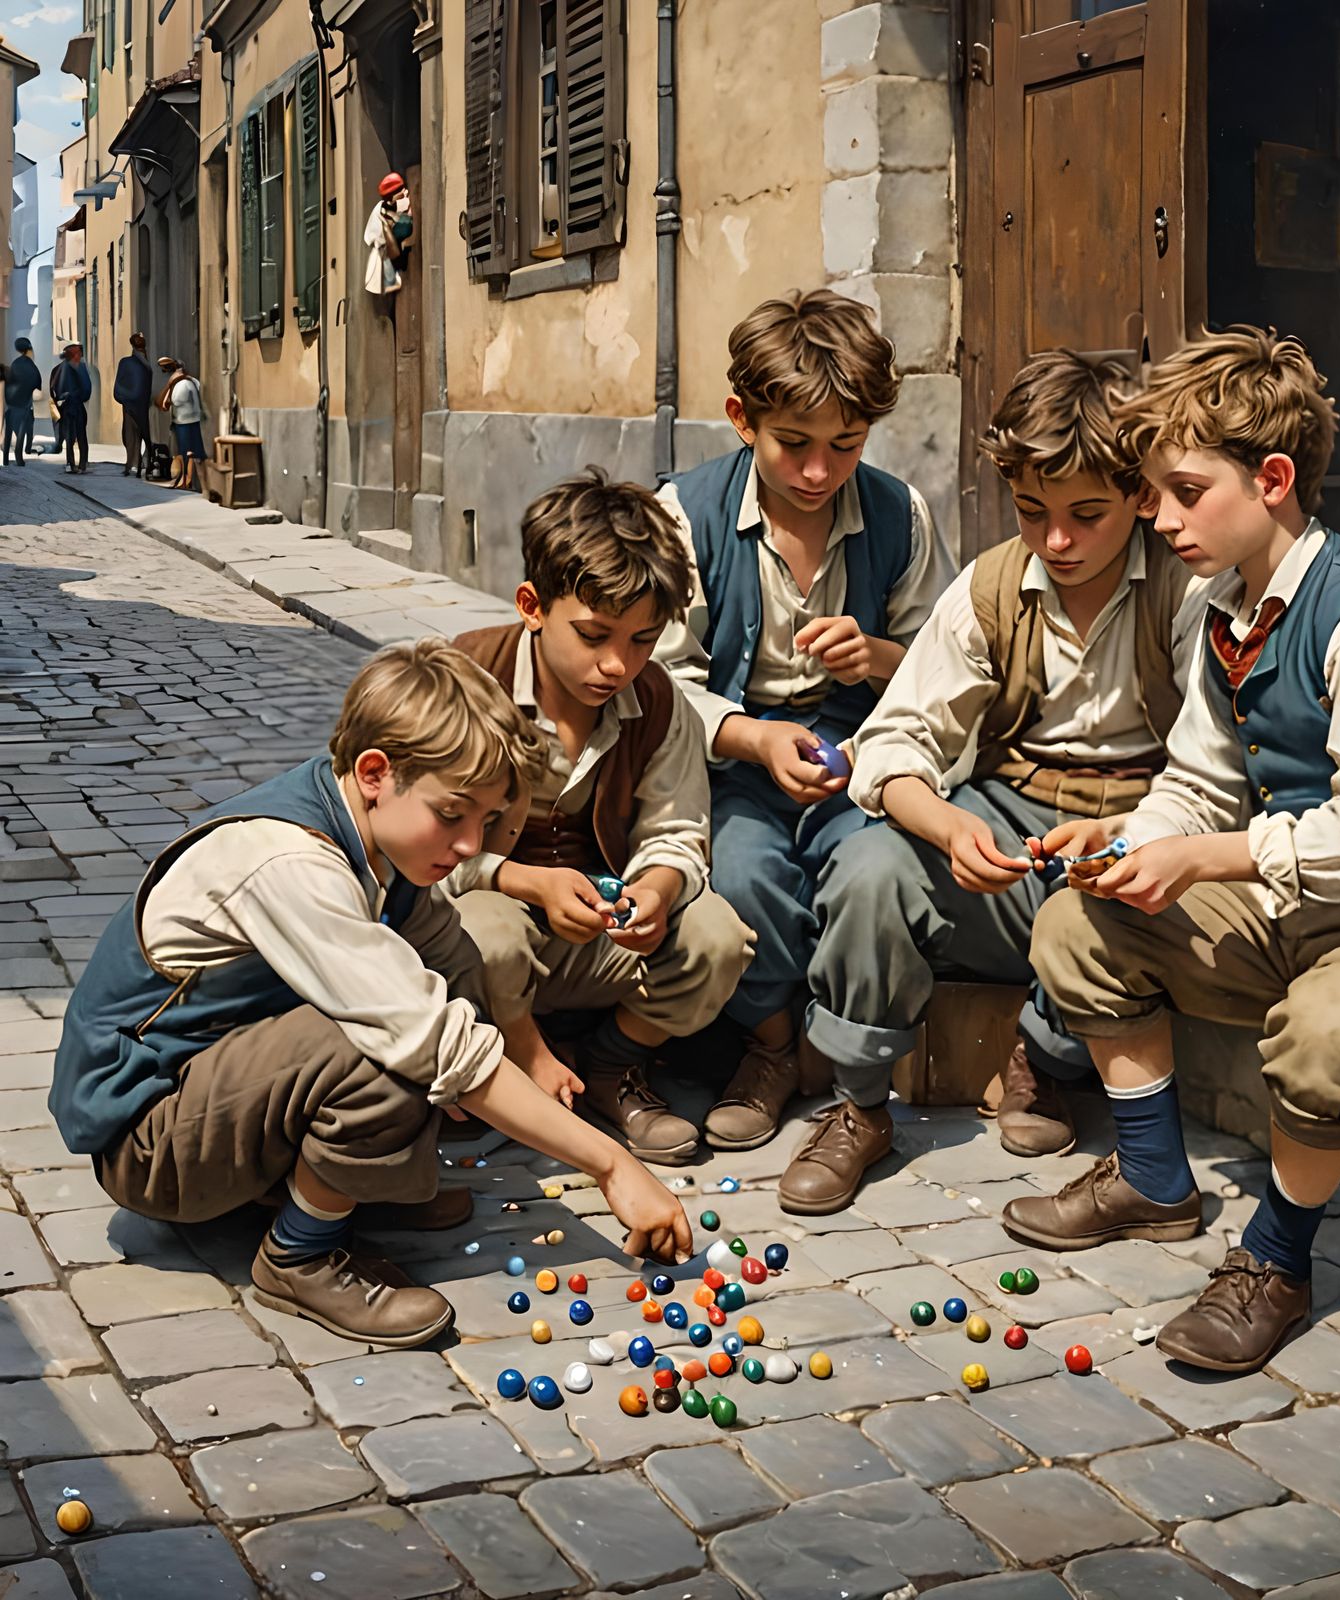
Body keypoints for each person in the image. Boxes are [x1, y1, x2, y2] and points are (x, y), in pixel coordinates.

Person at [1008, 326, 1340, 1373]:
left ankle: (1275, 1261)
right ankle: (1151, 1180)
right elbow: (1196, 780)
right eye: (1153, 491)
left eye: (1185, 490)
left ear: (1273, 478)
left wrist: (1203, 860)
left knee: (1325, 1030)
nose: (1160, 517)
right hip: (1300, 903)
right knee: (1077, 922)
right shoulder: (1220, 605)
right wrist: (1137, 846)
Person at [50, 639, 694, 1346]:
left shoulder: (381, 843)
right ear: (375, 773)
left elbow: (456, 969)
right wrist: (612, 1164)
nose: (468, 843)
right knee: (382, 1044)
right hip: (151, 1140)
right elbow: (431, 1040)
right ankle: (300, 1253)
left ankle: (342, 1187)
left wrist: (515, 1058)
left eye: (486, 821)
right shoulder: (293, 861)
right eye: (453, 814)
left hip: (222, 1090)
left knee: (420, 1008)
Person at [796, 352, 1208, 1210]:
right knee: (872, 868)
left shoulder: (1189, 589)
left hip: (1148, 821)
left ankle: (1047, 1062)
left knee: (1115, 900)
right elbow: (892, 744)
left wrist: (1136, 835)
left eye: (1085, 515)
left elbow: (1219, 769)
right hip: (1011, 815)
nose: (1056, 540)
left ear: (1137, 497)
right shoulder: (988, 589)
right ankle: (859, 1104)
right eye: (1032, 512)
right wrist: (948, 828)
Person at [653, 289, 952, 1162]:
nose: (820, 472)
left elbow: (947, 665)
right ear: (743, 419)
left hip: (866, 758)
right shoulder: (688, 515)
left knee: (879, 873)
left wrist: (881, 660)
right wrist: (753, 738)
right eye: (795, 445)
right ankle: (774, 1047)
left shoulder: (901, 515)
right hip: (735, 763)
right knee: (743, 876)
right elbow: (666, 678)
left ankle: (852, 1077)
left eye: (845, 447)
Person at [450, 470, 755, 1165]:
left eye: (643, 640)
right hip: (480, 923)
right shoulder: (465, 679)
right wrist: (524, 883)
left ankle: (610, 1067)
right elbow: (410, 855)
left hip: (597, 933)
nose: (617, 663)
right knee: (485, 936)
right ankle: (509, 1062)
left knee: (717, 939)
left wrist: (658, 889)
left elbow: (676, 832)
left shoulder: (658, 701)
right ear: (533, 606)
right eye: (594, 636)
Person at [156, 355, 205, 490]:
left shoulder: (182, 384)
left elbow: (172, 402)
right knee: (192, 452)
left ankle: (186, 481)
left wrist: (170, 385)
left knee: (186, 452)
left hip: (184, 422)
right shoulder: (193, 381)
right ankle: (189, 481)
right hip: (193, 420)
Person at [364, 172, 411, 299]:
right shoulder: (383, 212)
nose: (405, 192)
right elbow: (392, 249)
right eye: (401, 192)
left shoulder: (390, 207)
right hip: (384, 250)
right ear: (391, 199)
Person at [114, 332, 153, 476]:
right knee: (140, 434)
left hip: (131, 405)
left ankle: (133, 464)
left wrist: (124, 398)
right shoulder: (146, 365)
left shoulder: (127, 363)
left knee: (130, 436)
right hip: (140, 405)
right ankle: (137, 463)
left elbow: (118, 386)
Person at [53, 341, 91, 473]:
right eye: (78, 353)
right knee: (78, 436)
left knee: (72, 436)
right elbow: (87, 389)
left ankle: (74, 463)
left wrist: (63, 398)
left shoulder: (62, 369)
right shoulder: (79, 368)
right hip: (74, 407)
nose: (80, 355)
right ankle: (80, 464)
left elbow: (56, 388)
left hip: (69, 407)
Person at [3, 337, 41, 464]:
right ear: (29, 350)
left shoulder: (14, 364)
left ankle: (6, 459)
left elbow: (9, 381)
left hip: (11, 405)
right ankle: (20, 457)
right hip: (24, 405)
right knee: (23, 432)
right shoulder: (32, 366)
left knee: (9, 433)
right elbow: (37, 385)